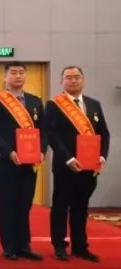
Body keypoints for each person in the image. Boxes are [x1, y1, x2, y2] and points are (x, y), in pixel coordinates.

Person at [45, 65, 110, 262]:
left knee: (81, 207)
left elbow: (104, 133)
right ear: (61, 81)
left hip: (89, 167)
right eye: (68, 77)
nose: (73, 80)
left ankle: (80, 246)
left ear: (83, 80)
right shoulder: (54, 105)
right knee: (60, 206)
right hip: (66, 166)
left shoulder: (94, 104)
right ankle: (59, 245)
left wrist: (102, 156)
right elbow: (51, 135)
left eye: (77, 77)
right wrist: (69, 158)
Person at [0, 61, 46, 261]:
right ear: (6, 77)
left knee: (25, 204)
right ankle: (9, 246)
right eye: (13, 72)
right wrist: (9, 151)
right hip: (7, 161)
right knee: (7, 203)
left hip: (30, 162)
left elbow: (44, 131)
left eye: (21, 73)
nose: (18, 76)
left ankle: (24, 246)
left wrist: (42, 150)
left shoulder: (35, 101)